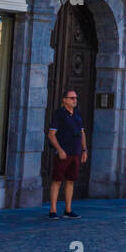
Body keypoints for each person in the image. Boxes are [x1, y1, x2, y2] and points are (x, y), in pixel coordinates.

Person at [47, 89, 87, 219]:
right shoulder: (59, 114)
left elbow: (82, 133)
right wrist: (59, 150)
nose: (74, 100)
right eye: (72, 98)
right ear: (64, 100)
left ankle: (68, 210)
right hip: (63, 153)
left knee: (71, 181)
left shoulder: (77, 114)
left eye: (75, 98)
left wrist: (84, 150)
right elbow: (51, 135)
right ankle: (53, 211)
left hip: (75, 152)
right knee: (57, 181)